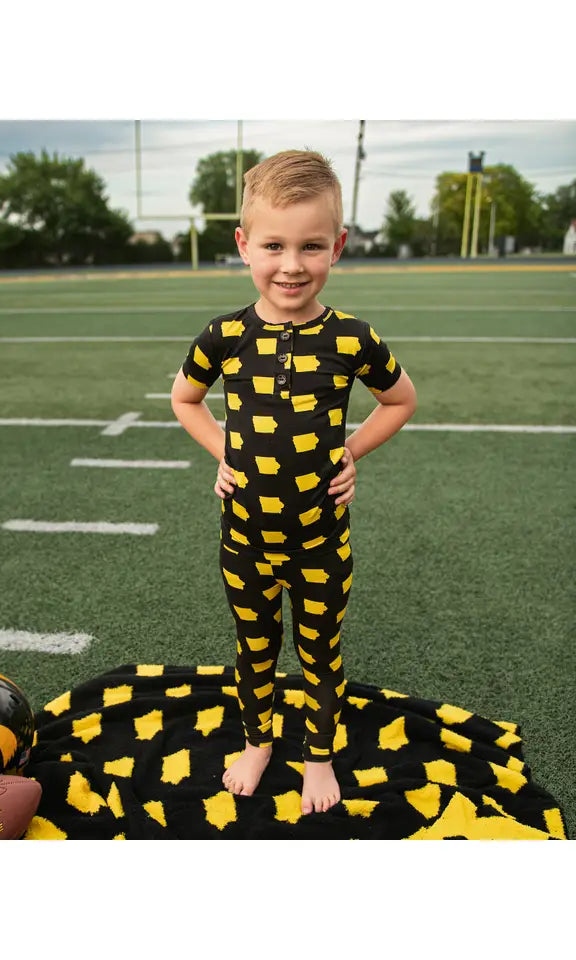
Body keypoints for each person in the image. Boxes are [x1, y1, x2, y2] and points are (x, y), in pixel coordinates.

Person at [171, 150, 417, 815]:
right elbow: (184, 399)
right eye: (274, 245)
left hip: (320, 541)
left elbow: (401, 400)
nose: (292, 265)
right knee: (254, 651)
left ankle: (318, 756)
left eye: (311, 246)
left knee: (319, 655)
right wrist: (225, 452)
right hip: (245, 538)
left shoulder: (351, 338)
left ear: (337, 246)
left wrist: (350, 453)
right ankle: (258, 742)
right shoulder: (222, 335)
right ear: (244, 245)